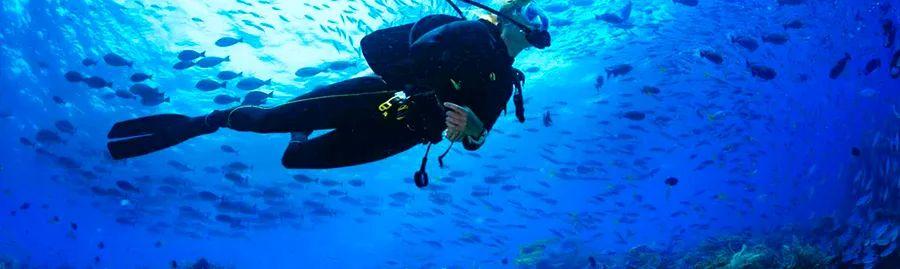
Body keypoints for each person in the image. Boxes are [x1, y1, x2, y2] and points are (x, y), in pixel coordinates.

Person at [106, 0, 551, 186]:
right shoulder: (469, 32)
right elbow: (377, 47)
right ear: (511, 15)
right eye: (534, 11)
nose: (541, 22)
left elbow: (476, 138)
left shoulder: (505, 82)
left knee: (294, 158)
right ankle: (201, 122)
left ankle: (301, 130)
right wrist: (415, 86)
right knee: (264, 121)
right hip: (378, 97)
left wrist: (472, 131)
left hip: (406, 135)